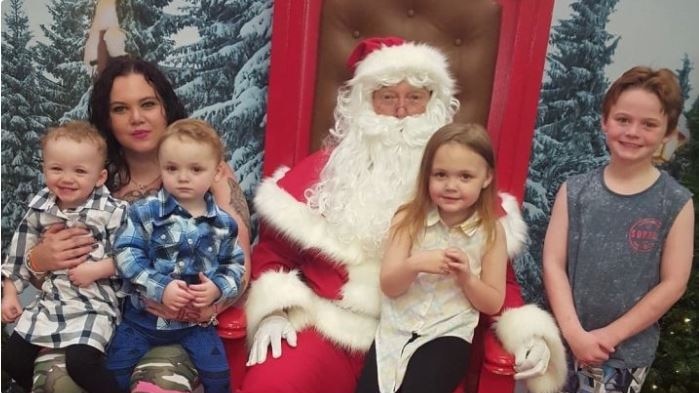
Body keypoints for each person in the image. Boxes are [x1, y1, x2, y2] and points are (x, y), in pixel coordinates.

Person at [243, 36, 566, 393]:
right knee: (271, 385)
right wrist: (274, 309)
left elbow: (498, 280)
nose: (400, 111)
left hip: (428, 335)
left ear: (433, 104)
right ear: (365, 103)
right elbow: (272, 255)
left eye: (414, 98)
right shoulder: (321, 175)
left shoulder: (460, 191)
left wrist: (526, 334)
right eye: (387, 97)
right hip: (326, 323)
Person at [25, 57, 252, 393]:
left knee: (156, 386)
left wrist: (206, 305)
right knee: (58, 381)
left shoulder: (203, 170)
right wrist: (40, 259)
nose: (136, 118)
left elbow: (239, 261)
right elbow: (38, 271)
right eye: (120, 109)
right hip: (89, 321)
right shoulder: (87, 172)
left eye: (148, 104)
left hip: (172, 324)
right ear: (106, 117)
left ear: (166, 107)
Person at [543, 66, 694, 393]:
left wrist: (606, 337)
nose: (633, 132)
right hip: (562, 343)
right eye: (623, 119)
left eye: (649, 124)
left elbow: (674, 283)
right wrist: (574, 333)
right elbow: (554, 262)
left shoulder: (676, 202)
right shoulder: (575, 190)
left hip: (622, 356)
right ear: (605, 121)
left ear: (668, 132)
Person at [354, 123, 508, 393]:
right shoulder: (408, 219)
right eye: (440, 174)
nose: (451, 186)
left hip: (448, 334)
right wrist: (415, 264)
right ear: (427, 175)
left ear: (486, 178)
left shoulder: (492, 232)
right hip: (395, 332)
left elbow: (493, 303)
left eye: (465, 177)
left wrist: (467, 278)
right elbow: (389, 285)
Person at [106, 118, 245, 393]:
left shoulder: (223, 224)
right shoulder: (144, 212)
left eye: (195, 169)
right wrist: (162, 287)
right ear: (161, 168)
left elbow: (234, 265)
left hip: (195, 324)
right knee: (114, 370)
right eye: (172, 168)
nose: (183, 177)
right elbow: (126, 254)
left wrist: (217, 288)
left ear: (217, 172)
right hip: (141, 320)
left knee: (219, 375)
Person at [1, 121, 128, 393]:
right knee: (12, 358)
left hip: (94, 304)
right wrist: (10, 294)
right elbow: (17, 255)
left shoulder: (113, 211)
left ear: (100, 177)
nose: (67, 178)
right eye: (56, 168)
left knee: (81, 364)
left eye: (80, 171)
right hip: (51, 302)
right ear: (44, 169)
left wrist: (98, 270)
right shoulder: (39, 209)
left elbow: (132, 256)